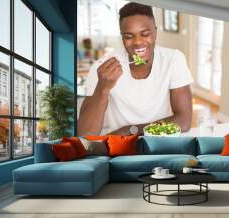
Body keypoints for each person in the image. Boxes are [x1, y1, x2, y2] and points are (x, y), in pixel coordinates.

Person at [78, 2, 193, 136]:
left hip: (161, 143)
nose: (138, 42)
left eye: (145, 34)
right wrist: (102, 88)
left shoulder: (173, 59)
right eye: (129, 36)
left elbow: (184, 122)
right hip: (120, 148)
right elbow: (84, 134)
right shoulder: (102, 67)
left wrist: (130, 130)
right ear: (122, 37)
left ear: (155, 32)